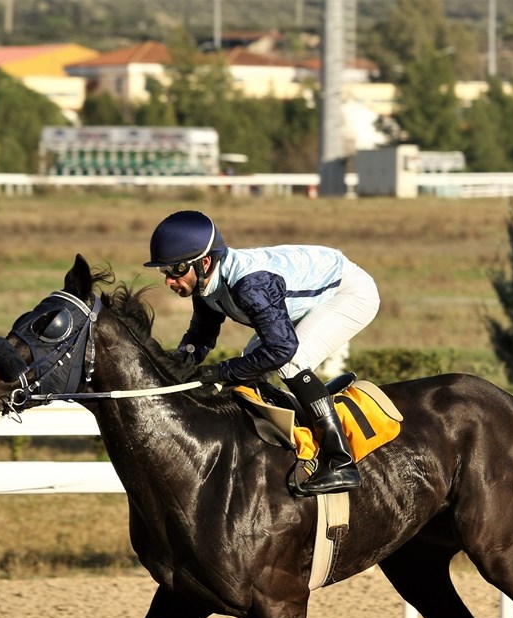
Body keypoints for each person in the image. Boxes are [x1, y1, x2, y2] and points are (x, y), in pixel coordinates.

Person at [144, 209, 380, 496]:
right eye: (165, 271)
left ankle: (341, 462)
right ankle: (291, 434)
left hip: (349, 293)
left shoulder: (249, 286)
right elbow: (201, 336)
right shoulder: (207, 285)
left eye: (177, 269)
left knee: (289, 363)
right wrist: (176, 365)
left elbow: (282, 349)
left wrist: (220, 371)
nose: (169, 280)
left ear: (204, 262)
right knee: (253, 367)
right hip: (308, 296)